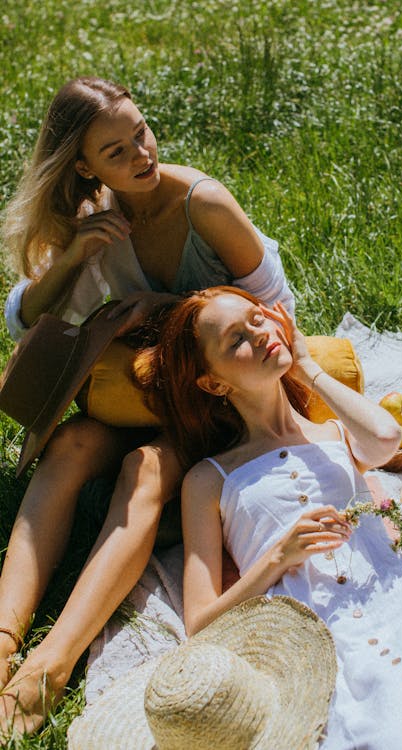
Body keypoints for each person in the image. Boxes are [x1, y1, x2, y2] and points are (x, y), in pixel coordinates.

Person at [0, 76, 294, 737]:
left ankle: (51, 664)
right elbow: (25, 321)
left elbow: (279, 317)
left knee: (147, 472)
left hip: (217, 399)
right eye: (116, 150)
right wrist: (77, 253)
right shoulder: (95, 216)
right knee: (72, 446)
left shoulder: (204, 205)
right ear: (83, 166)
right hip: (134, 397)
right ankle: (3, 637)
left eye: (142, 133)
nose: (141, 153)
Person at [137, 286, 402, 749]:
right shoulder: (209, 479)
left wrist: (307, 367)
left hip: (399, 599)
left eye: (258, 318)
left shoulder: (335, 433)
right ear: (214, 383)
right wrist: (278, 557)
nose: (263, 333)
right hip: (313, 637)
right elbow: (200, 624)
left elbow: (387, 438)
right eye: (237, 340)